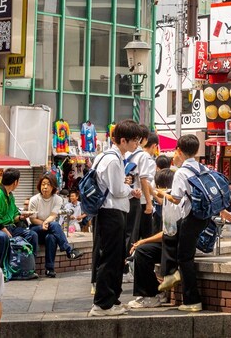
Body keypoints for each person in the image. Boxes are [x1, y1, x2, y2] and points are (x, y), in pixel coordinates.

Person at [165, 134, 231, 312]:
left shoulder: (181, 172)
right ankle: (171, 275)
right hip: (203, 218)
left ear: (179, 151)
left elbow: (175, 198)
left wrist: (160, 194)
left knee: (185, 259)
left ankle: (192, 301)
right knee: (180, 248)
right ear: (197, 151)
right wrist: (222, 210)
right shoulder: (203, 168)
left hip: (191, 218)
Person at [90, 119, 143, 317]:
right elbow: (117, 189)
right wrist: (131, 190)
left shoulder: (106, 156)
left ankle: (111, 299)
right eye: (134, 140)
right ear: (123, 140)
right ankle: (103, 304)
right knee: (111, 258)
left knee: (114, 256)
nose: (136, 144)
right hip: (111, 212)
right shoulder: (112, 160)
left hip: (111, 211)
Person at [127, 168, 178, 309]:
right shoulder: (169, 199)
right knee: (141, 251)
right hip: (172, 243)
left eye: (156, 186)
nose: (155, 190)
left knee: (142, 251)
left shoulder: (172, 201)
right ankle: (150, 293)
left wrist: (143, 241)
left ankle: (151, 296)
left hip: (174, 246)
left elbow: (167, 232)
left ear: (162, 187)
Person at [0, 168, 38, 280]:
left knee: (32, 235)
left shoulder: (10, 195)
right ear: (15, 182)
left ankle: (28, 268)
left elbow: (14, 217)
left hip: (9, 227)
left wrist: (22, 216)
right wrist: (4, 230)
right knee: (2, 237)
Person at [26, 174, 82, 278]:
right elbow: (32, 219)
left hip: (49, 226)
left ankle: (49, 269)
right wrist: (43, 223)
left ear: (53, 186)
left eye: (48, 184)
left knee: (51, 237)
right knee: (55, 225)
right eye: (43, 184)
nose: (45, 187)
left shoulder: (58, 199)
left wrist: (46, 222)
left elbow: (53, 215)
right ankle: (69, 250)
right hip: (36, 228)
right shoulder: (34, 199)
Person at [124, 130, 156, 268]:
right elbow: (145, 181)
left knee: (130, 235)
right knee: (144, 237)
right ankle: (133, 266)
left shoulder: (126, 154)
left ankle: (127, 266)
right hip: (141, 201)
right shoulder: (145, 157)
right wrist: (151, 202)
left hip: (128, 199)